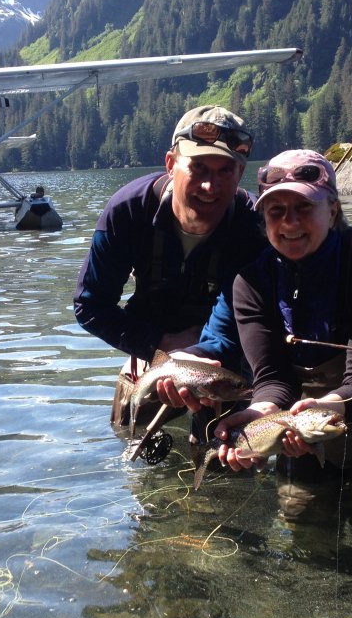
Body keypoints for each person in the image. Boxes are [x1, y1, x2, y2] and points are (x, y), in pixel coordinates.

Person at [191, 149, 352, 533]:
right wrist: (260, 415)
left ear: (332, 210)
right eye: (276, 211)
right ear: (263, 220)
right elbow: (272, 378)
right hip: (305, 429)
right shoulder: (251, 283)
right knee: (304, 523)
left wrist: (321, 409)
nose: (290, 223)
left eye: (303, 207)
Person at [74, 106, 265, 427]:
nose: (210, 186)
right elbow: (90, 306)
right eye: (199, 168)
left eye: (224, 171)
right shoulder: (128, 211)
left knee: (230, 449)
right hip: (152, 350)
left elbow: (243, 312)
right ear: (170, 164)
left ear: (239, 173)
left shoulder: (251, 226)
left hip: (226, 353)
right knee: (130, 430)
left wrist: (203, 352)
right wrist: (159, 344)